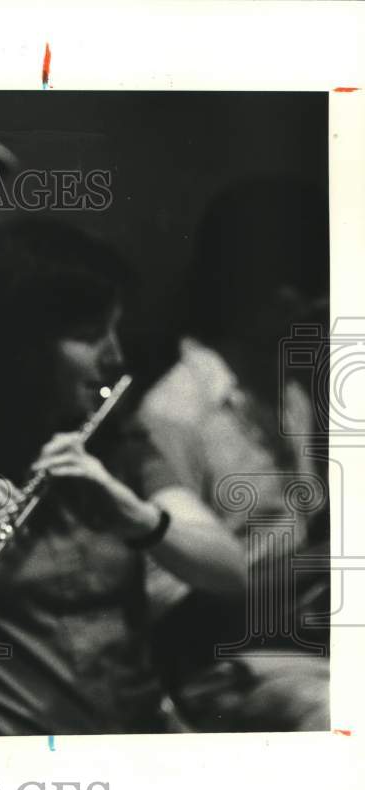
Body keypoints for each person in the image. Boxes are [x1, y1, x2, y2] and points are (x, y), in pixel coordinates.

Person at [0, 218, 246, 736]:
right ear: (21, 350)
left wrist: (137, 516)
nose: (115, 356)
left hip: (137, 745)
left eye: (114, 330)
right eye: (88, 335)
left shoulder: (120, 453)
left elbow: (231, 571)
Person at [137, 177, 330, 731]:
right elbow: (177, 620)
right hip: (218, 673)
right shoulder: (174, 413)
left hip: (297, 645)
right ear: (265, 297)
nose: (327, 323)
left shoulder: (287, 394)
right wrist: (328, 561)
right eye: (314, 307)